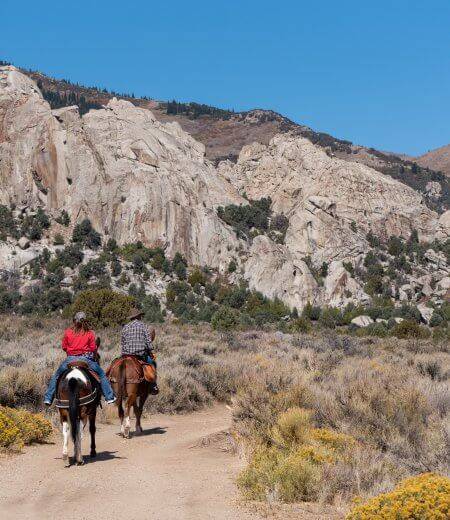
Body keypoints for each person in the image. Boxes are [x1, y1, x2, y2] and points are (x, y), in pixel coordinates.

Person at [44, 312, 116, 405]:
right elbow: (93, 348)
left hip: (70, 360)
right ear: (85, 321)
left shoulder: (68, 332)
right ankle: (109, 397)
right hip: (85, 360)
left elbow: (64, 347)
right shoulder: (89, 333)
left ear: (74, 321)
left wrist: (71, 352)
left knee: (56, 376)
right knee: (102, 374)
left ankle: (48, 398)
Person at [121, 308, 158, 393]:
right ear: (138, 317)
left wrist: (123, 353)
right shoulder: (144, 326)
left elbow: (123, 342)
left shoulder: (125, 327)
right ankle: (153, 385)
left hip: (127, 355)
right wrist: (151, 350)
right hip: (140, 355)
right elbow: (148, 341)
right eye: (140, 316)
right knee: (152, 363)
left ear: (131, 318)